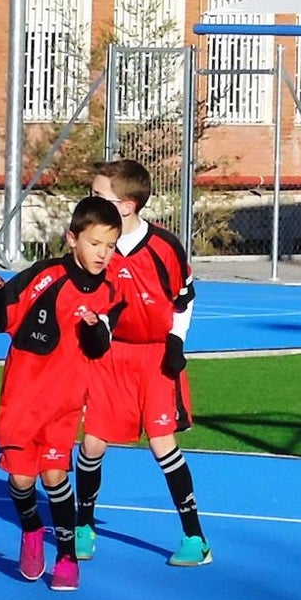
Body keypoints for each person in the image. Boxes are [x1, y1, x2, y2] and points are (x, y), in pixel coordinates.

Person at [0, 196, 124, 591]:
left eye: (110, 246)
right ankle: (30, 531)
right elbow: (2, 316)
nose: (102, 254)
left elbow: (101, 345)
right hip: (23, 397)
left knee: (55, 475)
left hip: (65, 402)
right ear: (72, 238)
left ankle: (68, 558)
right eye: (95, 244)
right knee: (22, 480)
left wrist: (95, 329)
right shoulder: (46, 276)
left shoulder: (109, 291)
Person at [75, 158, 212, 567]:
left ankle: (196, 539)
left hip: (154, 356)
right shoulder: (96, 247)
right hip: (111, 356)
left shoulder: (165, 248)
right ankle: (84, 525)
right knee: (93, 440)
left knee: (162, 443)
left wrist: (175, 341)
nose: (91, 201)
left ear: (128, 205)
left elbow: (183, 300)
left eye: (99, 195)